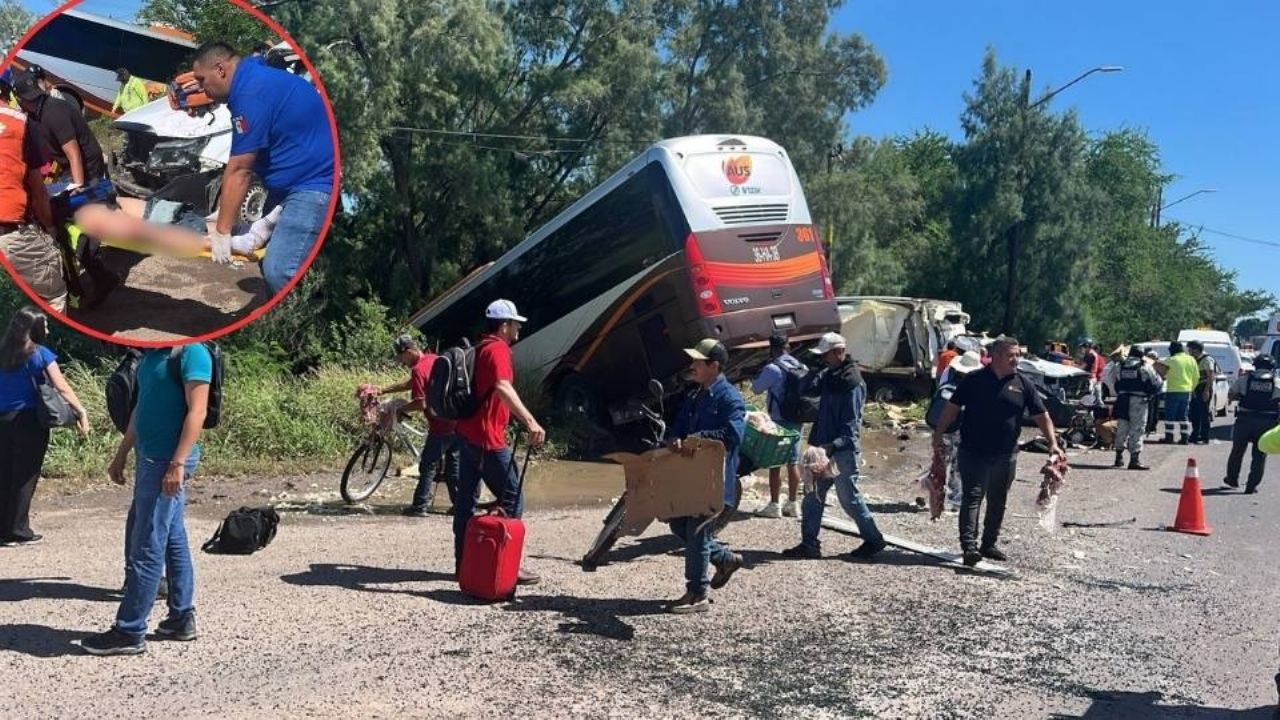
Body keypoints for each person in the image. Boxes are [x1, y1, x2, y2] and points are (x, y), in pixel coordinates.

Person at [81, 343, 212, 655]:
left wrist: (177, 464)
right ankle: (181, 618)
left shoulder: (192, 352)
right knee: (172, 537)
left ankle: (129, 629)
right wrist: (122, 454)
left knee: (147, 542)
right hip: (150, 457)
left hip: (167, 462)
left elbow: (198, 410)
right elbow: (141, 409)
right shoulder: (152, 356)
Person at [188, 41, 335, 294]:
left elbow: (240, 170)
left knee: (279, 271)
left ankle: (303, 321)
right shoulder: (251, 72)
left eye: (202, 80)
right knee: (271, 255)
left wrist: (222, 232)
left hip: (311, 185)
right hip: (292, 180)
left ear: (221, 69)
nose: (201, 88)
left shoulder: (250, 93)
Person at [930, 336, 1065, 567]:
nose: (1016, 359)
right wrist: (938, 435)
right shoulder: (974, 380)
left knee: (998, 499)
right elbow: (951, 409)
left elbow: (1042, 415)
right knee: (972, 497)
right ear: (997, 356)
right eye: (1011, 355)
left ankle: (989, 544)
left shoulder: (1023, 384)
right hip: (973, 450)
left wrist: (1053, 442)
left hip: (1006, 453)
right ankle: (969, 547)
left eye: (1018, 355)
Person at [452, 299, 545, 584]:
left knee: (466, 504)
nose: (518, 328)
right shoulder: (498, 349)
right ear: (504, 325)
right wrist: (530, 421)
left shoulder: (479, 348)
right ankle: (506, 565)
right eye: (515, 323)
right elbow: (503, 387)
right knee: (513, 498)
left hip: (467, 435)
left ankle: (464, 564)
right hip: (487, 440)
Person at [782, 332, 886, 561]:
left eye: (826, 355)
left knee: (849, 499)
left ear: (839, 352)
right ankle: (809, 544)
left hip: (842, 450)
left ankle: (874, 540)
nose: (824, 359)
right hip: (823, 447)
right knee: (812, 495)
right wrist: (813, 370)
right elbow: (806, 390)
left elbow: (852, 421)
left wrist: (834, 445)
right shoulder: (830, 375)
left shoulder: (852, 382)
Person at [665, 338, 745, 613]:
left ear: (714, 366)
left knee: (697, 531)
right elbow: (679, 426)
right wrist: (674, 438)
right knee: (678, 525)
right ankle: (724, 558)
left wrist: (698, 438)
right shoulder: (695, 394)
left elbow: (733, 436)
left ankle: (697, 594)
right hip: (690, 477)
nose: (692, 366)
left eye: (698, 362)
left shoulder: (730, 398)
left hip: (713, 479)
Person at [0, 307, 89, 545]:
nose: (48, 328)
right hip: (28, 420)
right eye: (46, 325)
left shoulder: (2, 353)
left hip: (2, 419)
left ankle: (2, 529)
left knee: (5, 472)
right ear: (35, 329)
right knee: (25, 474)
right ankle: (18, 531)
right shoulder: (40, 354)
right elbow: (61, 387)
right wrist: (81, 412)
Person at [0, 85, 67, 311]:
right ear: (7, 93)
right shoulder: (19, 123)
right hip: (10, 231)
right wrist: (50, 227)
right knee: (54, 294)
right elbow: (38, 190)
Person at [376, 334, 459, 516]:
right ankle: (459, 506)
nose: (401, 362)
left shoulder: (418, 369)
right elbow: (411, 384)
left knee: (427, 464)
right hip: (457, 419)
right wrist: (384, 389)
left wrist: (399, 410)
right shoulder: (433, 358)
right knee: (453, 465)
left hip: (441, 425)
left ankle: (419, 506)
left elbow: (420, 403)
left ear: (409, 351)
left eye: (401, 358)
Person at [12, 70, 106, 188]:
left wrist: (78, 187)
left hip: (88, 165)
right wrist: (49, 182)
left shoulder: (54, 112)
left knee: (85, 199)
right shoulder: (35, 116)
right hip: (66, 164)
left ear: (20, 100)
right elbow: (54, 154)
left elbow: (73, 153)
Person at [748, 332, 802, 518]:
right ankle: (794, 504)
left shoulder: (772, 368)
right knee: (793, 461)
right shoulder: (800, 365)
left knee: (775, 462)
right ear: (788, 346)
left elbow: (756, 389)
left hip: (779, 419)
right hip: (797, 419)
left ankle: (774, 505)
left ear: (771, 348)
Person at [1224, 354, 1279, 493]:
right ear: (1272, 367)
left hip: (1244, 420)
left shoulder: (1245, 379)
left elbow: (1231, 394)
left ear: (1255, 365)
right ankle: (1251, 485)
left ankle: (1232, 479)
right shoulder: (1277, 381)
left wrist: (1240, 397)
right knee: (1260, 454)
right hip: (1267, 422)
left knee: (1237, 451)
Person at [938, 350, 983, 511]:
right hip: (961, 430)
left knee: (941, 461)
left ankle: (937, 497)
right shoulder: (975, 384)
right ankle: (955, 500)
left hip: (945, 428)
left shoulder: (948, 377)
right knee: (958, 465)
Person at [1111, 345, 1163, 471]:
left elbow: (1114, 382)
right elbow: (1156, 383)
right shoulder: (1145, 367)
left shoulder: (1119, 366)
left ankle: (1118, 457)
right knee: (1137, 428)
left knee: (1122, 427)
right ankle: (1134, 459)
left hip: (1122, 400)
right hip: (1139, 401)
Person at [1161, 341, 1198, 445]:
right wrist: (1191, 388)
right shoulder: (1191, 360)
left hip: (1172, 391)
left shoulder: (1170, 360)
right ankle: (1184, 438)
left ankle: (1169, 437)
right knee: (1184, 415)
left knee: (1170, 415)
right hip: (1186, 391)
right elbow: (1196, 377)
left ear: (1172, 350)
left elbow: (1162, 374)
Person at [1186, 340, 1216, 444]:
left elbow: (1210, 376)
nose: (1189, 351)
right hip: (1195, 388)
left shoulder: (1206, 360)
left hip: (1204, 388)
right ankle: (1195, 434)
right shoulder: (1193, 359)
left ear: (1196, 349)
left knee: (1204, 413)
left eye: (1190, 349)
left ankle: (1205, 436)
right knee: (1195, 413)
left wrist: (1206, 391)